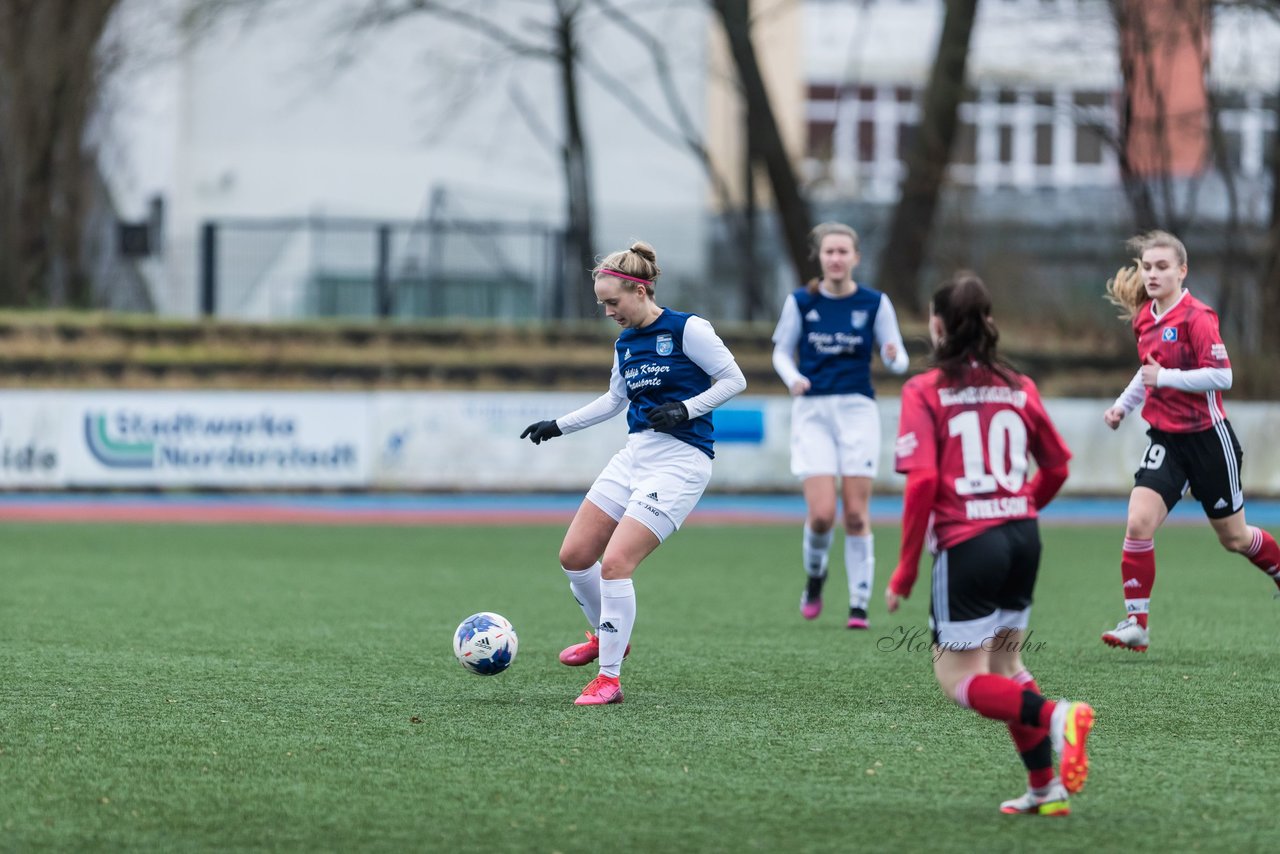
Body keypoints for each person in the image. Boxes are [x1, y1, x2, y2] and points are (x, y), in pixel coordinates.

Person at [887, 272, 1093, 816]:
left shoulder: (924, 389)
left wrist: (905, 569)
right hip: (1022, 537)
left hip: (967, 544)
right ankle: (1045, 788)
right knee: (1005, 664)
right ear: (989, 323)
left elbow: (924, 484)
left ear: (936, 326)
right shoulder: (1018, 384)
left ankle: (1057, 717)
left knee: (959, 678)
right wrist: (1017, 510)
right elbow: (1058, 465)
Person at [520, 241, 746, 705]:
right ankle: (608, 633)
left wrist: (686, 409)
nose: (607, 311)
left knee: (616, 564)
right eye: (602, 303)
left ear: (640, 291)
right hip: (635, 455)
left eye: (612, 302)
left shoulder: (689, 329)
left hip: (681, 461)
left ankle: (609, 678)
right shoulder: (625, 343)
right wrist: (558, 425)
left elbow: (734, 379)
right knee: (575, 555)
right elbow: (613, 401)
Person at [1099, 230, 1280, 652]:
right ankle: (1136, 623)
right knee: (1138, 521)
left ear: (1182, 271)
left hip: (1208, 441)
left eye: (1162, 266)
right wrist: (1122, 407)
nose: (1152, 274)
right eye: (1147, 266)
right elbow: (1147, 371)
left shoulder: (1198, 317)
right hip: (1167, 441)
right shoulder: (1145, 318)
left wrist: (1166, 379)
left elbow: (1222, 376)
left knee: (1233, 538)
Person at [772, 222, 909, 629]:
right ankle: (815, 579)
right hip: (812, 411)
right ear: (820, 256)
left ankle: (858, 604)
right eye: (829, 251)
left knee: (854, 513)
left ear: (855, 257)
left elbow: (898, 358)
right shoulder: (800, 301)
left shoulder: (874, 302)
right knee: (821, 515)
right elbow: (781, 352)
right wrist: (792, 377)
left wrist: (891, 355)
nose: (835, 258)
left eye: (843, 252)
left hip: (857, 412)